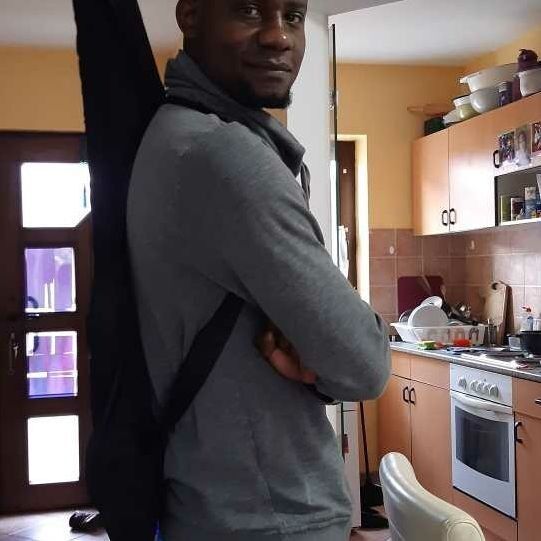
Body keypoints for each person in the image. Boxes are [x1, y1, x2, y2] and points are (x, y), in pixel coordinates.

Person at [127, 1, 391, 540]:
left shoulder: (172, 133)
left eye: (293, 15)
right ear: (190, 16)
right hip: (273, 518)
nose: (279, 37)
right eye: (249, 9)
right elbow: (364, 364)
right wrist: (324, 355)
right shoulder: (226, 156)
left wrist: (318, 352)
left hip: (209, 503)